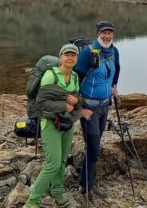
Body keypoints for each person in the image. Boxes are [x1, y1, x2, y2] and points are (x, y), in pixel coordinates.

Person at [26, 44, 82, 208]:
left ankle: (57, 191)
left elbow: (77, 97)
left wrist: (77, 101)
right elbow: (42, 102)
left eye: (73, 55)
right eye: (67, 55)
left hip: (67, 124)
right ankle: (33, 200)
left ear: (76, 58)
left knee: (63, 160)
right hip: (50, 123)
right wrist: (64, 106)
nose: (70, 58)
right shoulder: (51, 76)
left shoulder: (75, 77)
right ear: (61, 57)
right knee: (53, 164)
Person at [74, 21, 120, 202]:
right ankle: (85, 187)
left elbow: (117, 70)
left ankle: (88, 180)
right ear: (98, 34)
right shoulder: (88, 53)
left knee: (96, 144)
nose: (107, 36)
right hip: (90, 108)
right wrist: (80, 108)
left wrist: (114, 86)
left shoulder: (114, 51)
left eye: (110, 33)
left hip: (104, 106)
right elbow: (75, 79)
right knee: (93, 147)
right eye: (104, 33)